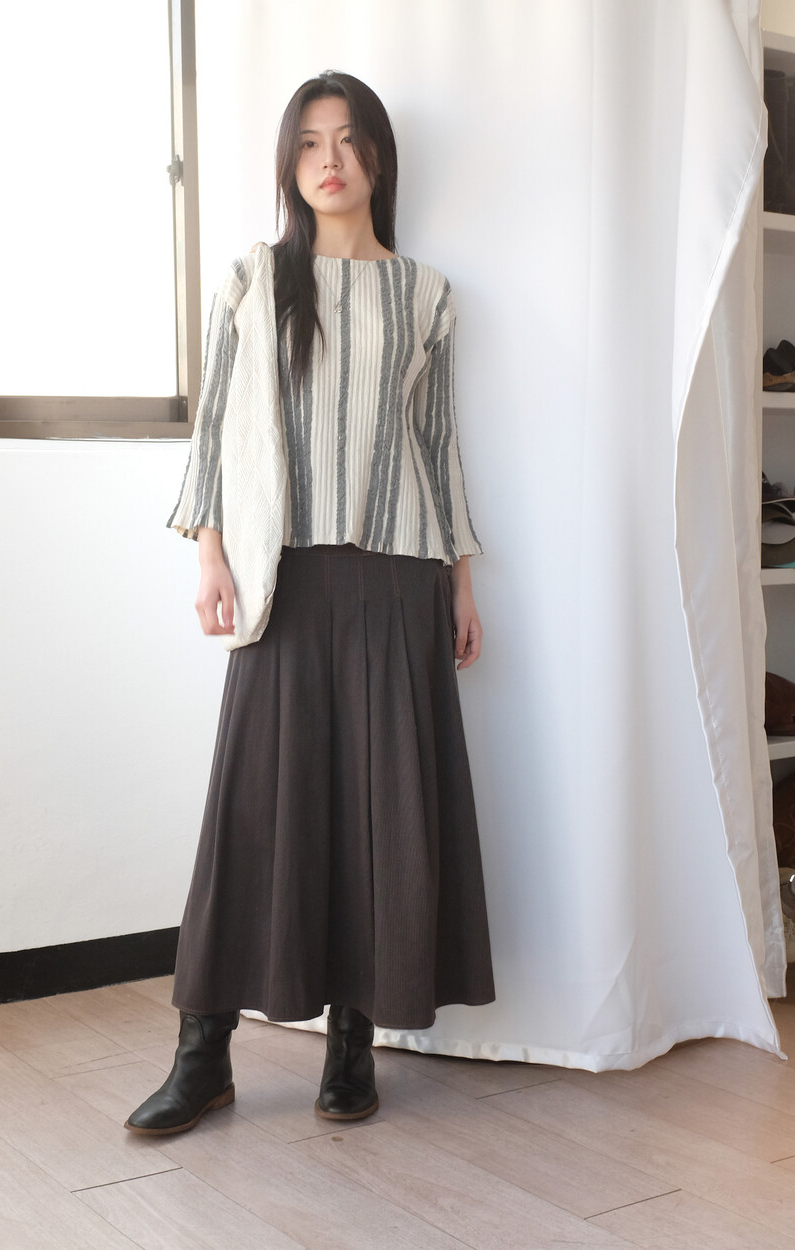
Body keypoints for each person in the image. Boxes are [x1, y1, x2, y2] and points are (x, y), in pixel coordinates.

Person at [125, 69, 495, 1137]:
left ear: (378, 157)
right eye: (307, 143)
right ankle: (202, 1055)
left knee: (379, 811)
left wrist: (461, 580)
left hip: (397, 573)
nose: (328, 160)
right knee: (252, 807)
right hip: (281, 571)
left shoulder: (426, 294)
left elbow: (438, 445)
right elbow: (215, 427)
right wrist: (210, 555)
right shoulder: (255, 278)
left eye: (347, 139)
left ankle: (351, 1047)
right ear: (289, 163)